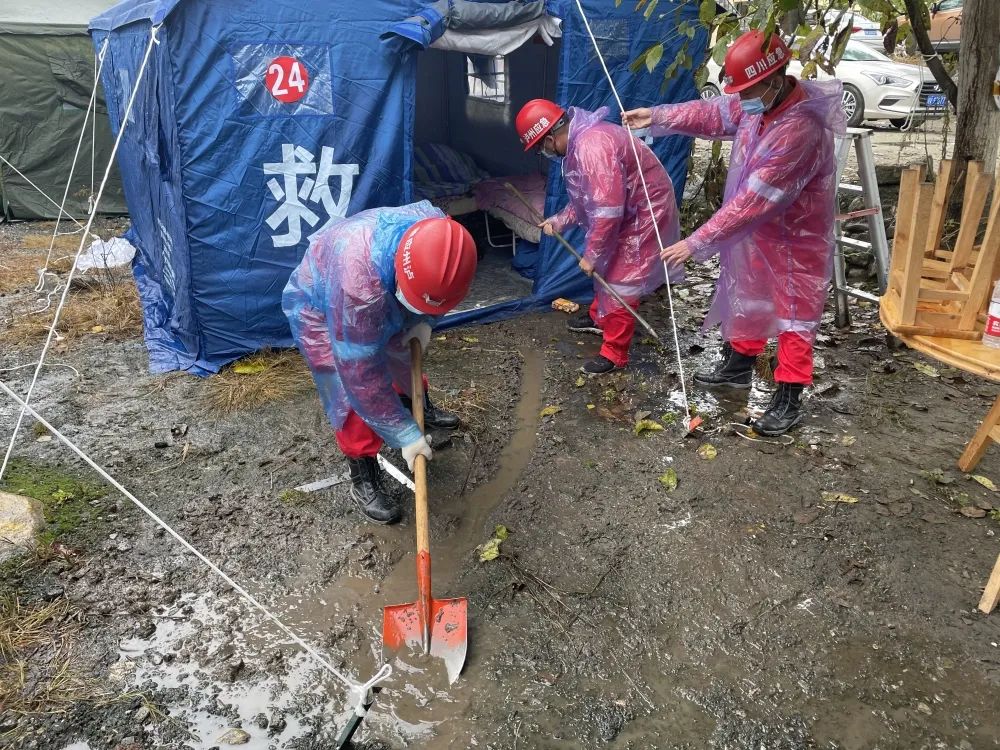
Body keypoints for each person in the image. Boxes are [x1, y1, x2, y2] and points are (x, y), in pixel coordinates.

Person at [622, 30, 846, 435]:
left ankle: (789, 396)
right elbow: (712, 114)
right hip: (757, 234)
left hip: (795, 239)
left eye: (748, 90)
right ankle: (738, 366)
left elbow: (752, 203)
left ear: (775, 80)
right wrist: (656, 117)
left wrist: (695, 242)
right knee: (749, 296)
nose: (741, 99)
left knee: (795, 314)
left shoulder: (800, 131)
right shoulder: (760, 104)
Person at [282, 203, 477, 524]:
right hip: (321, 303)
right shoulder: (357, 289)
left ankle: (417, 405)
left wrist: (425, 322)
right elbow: (362, 377)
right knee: (347, 391)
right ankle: (363, 471)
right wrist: (404, 435)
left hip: (384, 284)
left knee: (403, 351)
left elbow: (441, 290)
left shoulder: (443, 236)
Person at [515, 99, 680, 375]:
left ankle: (615, 353)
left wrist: (592, 255)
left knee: (620, 280)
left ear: (551, 136)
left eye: (541, 147)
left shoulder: (592, 146)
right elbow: (585, 201)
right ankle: (599, 317)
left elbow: (606, 212)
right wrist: (558, 221)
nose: (543, 152)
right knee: (608, 263)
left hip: (644, 212)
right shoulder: (580, 143)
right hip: (627, 209)